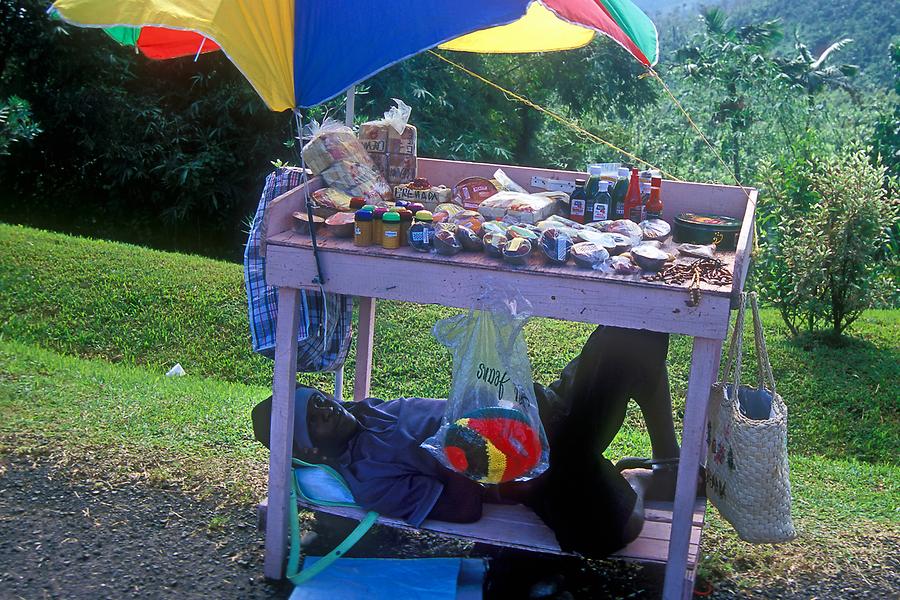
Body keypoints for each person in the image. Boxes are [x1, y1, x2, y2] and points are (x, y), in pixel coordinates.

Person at [253, 326, 678, 558]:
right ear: (309, 450)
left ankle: (668, 458)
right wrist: (457, 448)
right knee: (610, 533)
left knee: (634, 329)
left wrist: (500, 396)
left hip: (529, 412)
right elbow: (464, 508)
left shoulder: (372, 410)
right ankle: (641, 478)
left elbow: (468, 398)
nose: (325, 408)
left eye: (317, 399)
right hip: (532, 470)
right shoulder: (369, 476)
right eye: (313, 420)